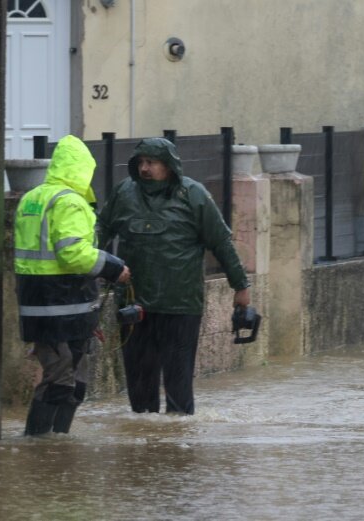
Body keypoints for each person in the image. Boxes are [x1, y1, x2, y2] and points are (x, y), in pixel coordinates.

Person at [97, 137, 250, 415]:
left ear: (169, 166)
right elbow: (100, 233)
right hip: (135, 305)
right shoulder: (124, 194)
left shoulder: (194, 194)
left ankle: (176, 450)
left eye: (151, 162)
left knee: (178, 386)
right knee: (140, 391)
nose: (145, 168)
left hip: (180, 306)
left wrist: (240, 287)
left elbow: (221, 243)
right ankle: (144, 450)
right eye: (140, 162)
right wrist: (90, 268)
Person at [14, 135, 130, 435]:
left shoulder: (32, 197)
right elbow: (72, 253)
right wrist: (114, 267)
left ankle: (55, 445)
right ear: (82, 170)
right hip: (64, 302)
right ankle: (40, 446)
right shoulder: (70, 202)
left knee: (72, 382)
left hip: (41, 303)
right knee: (62, 381)